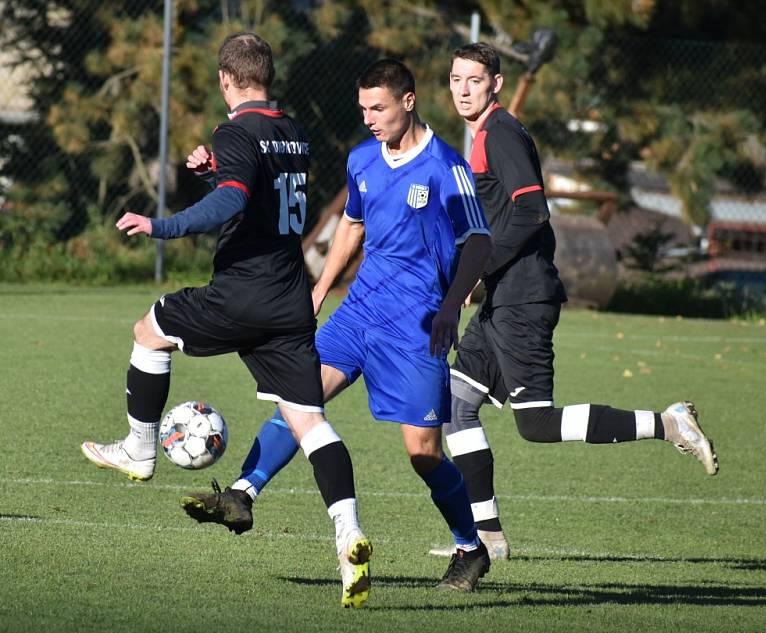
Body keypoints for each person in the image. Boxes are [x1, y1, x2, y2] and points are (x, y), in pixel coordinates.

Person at [80, 32, 372, 609]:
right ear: (267, 75)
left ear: (224, 80)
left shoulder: (236, 129)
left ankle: (140, 450)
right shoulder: (292, 132)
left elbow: (235, 200)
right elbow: (254, 189)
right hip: (290, 302)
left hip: (244, 294)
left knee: (149, 332)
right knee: (310, 423)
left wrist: (162, 224)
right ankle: (349, 534)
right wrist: (219, 169)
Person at [180, 58, 495, 592]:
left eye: (379, 108)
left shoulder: (446, 167)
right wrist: (321, 288)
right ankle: (242, 493)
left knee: (423, 454)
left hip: (415, 325)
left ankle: (471, 546)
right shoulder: (363, 160)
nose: (369, 119)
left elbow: (479, 242)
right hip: (359, 312)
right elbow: (352, 225)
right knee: (299, 397)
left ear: (409, 101)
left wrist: (450, 304)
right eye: (363, 109)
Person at [425, 41, 719, 560]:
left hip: (522, 299)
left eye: (474, 80)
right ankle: (487, 539)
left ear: (494, 83)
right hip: (503, 298)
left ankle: (669, 422)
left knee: (535, 424)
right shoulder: (485, 134)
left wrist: (482, 270)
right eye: (455, 79)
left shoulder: (501, 133)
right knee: (456, 405)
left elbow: (533, 211)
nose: (462, 89)